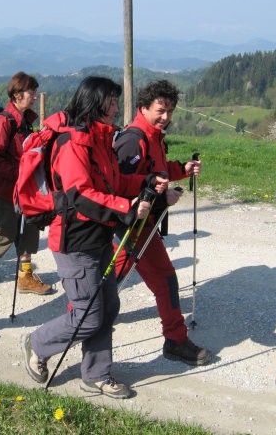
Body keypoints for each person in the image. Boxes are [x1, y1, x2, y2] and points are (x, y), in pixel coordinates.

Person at [21, 76, 165, 399]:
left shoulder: (100, 139)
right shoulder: (73, 143)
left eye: (115, 102)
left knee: (108, 306)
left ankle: (97, 374)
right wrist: (126, 209)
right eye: (111, 102)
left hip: (98, 237)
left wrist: (145, 182)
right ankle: (38, 343)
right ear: (94, 103)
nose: (116, 108)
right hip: (74, 241)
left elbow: (111, 184)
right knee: (88, 316)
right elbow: (80, 196)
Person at [113, 80, 212, 366]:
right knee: (104, 286)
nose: (166, 117)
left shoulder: (153, 136)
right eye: (160, 110)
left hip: (144, 227)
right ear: (143, 108)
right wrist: (161, 197)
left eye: (170, 110)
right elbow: (121, 186)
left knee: (165, 280)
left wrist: (182, 170)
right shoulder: (134, 139)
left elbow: (156, 172)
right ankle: (70, 331)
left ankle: (176, 340)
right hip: (130, 227)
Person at [0, 71, 52, 294]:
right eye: (32, 92)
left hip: (24, 188)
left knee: (29, 228)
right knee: (8, 230)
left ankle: (25, 277)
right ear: (18, 94)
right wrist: (20, 173)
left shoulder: (25, 122)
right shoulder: (4, 122)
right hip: (5, 189)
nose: (35, 96)